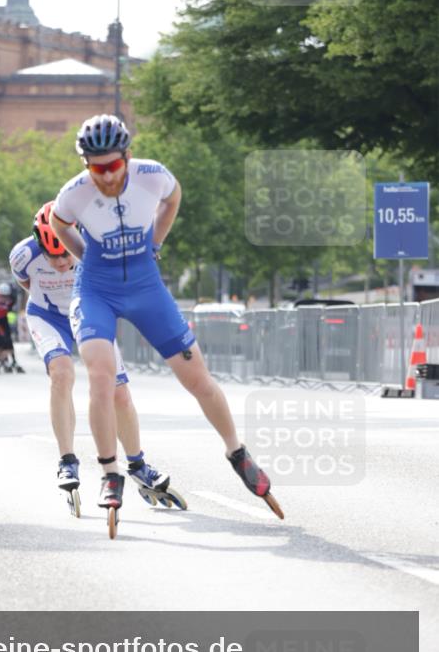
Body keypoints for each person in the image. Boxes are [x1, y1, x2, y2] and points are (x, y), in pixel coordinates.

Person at [49, 114, 283, 518]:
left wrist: (155, 241)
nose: (105, 176)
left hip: (146, 287)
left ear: (128, 156)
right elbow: (58, 222)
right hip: (96, 292)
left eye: (112, 166)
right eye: (95, 167)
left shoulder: (153, 176)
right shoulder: (75, 193)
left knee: (197, 378)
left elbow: (174, 199)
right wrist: (86, 258)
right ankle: (110, 471)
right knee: (102, 377)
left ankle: (237, 452)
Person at [9, 202, 168, 504]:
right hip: (46, 315)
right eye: (51, 255)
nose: (59, 262)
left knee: (119, 393)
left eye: (65, 254)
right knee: (61, 374)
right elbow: (26, 284)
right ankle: (67, 461)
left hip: (88, 313)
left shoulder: (98, 251)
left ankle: (138, 465)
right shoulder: (22, 256)